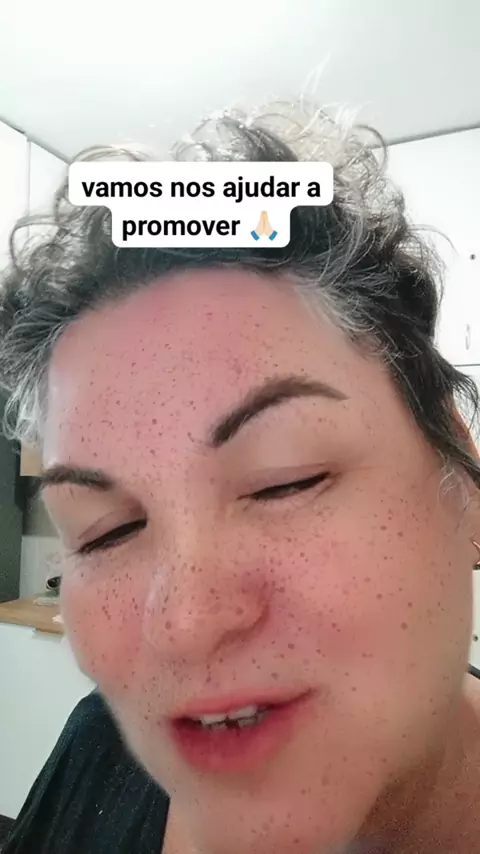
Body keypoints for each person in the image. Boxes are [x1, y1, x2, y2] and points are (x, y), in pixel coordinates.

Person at [2, 99, 480, 854]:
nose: (186, 623)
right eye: (107, 532)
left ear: (463, 477)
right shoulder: (97, 750)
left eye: (284, 482)